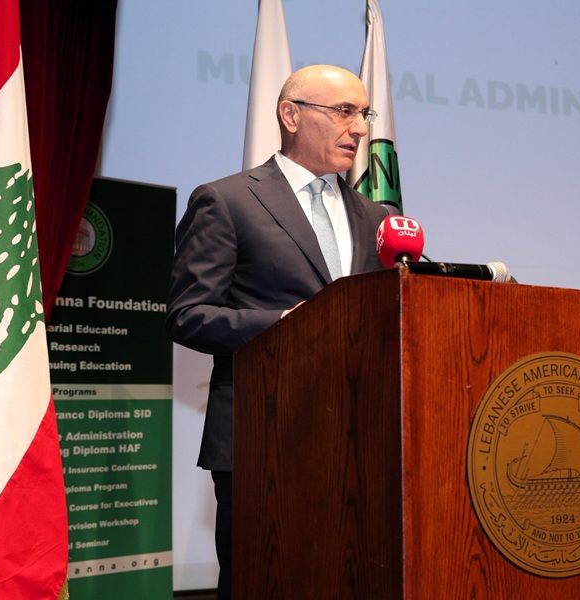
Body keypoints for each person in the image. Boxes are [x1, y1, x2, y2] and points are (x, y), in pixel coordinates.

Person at [166, 64, 389, 599]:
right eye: (344, 111)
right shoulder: (228, 201)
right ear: (291, 115)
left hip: (359, 442)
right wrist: (285, 325)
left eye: (364, 113)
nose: (359, 128)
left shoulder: (374, 216)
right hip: (262, 437)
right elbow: (188, 313)